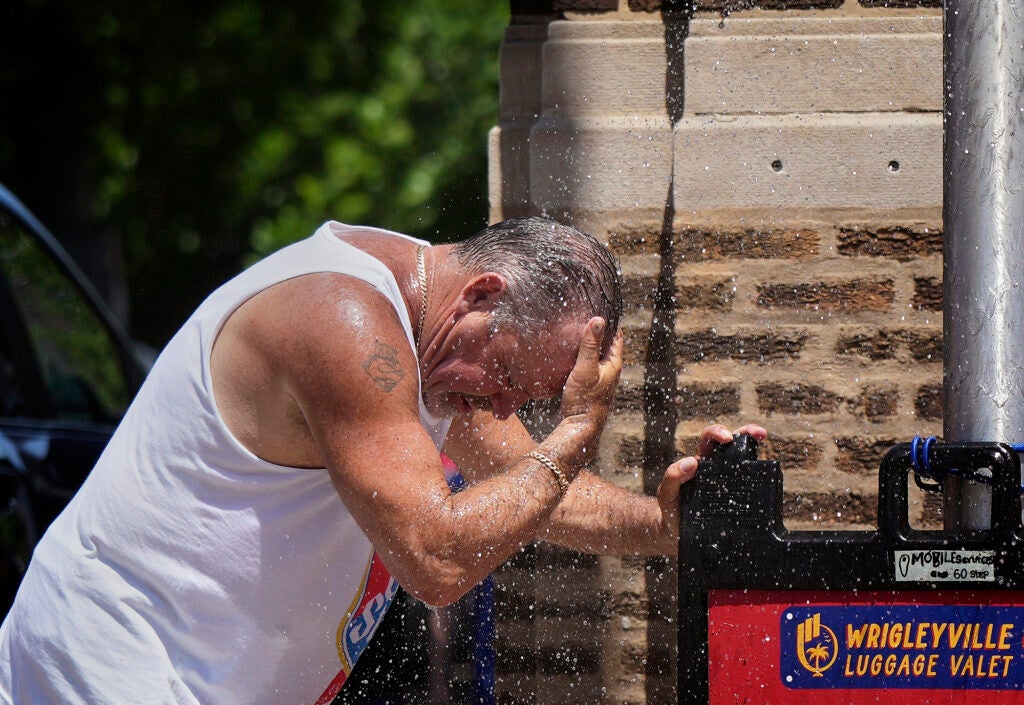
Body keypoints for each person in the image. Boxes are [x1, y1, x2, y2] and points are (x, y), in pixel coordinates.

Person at [0, 216, 766, 705]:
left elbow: (537, 493)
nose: (501, 410)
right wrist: (575, 430)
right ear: (481, 294)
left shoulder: (438, 344)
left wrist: (663, 523)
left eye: (522, 400)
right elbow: (433, 558)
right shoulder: (344, 322)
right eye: (505, 380)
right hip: (112, 661)